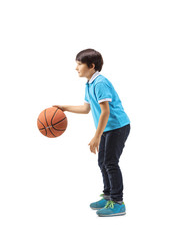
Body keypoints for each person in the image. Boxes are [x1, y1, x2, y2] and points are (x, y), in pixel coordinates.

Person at [54, 49, 130, 217]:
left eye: (79, 64)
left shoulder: (100, 83)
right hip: (107, 128)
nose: (76, 68)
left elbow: (105, 112)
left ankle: (118, 203)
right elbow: (86, 108)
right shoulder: (89, 83)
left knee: (110, 163)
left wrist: (96, 136)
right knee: (102, 162)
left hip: (117, 127)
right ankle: (108, 196)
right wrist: (64, 108)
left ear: (91, 65)